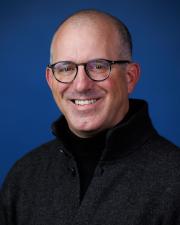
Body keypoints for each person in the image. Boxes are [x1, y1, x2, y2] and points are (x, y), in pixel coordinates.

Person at [0, 9, 180, 225]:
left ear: (130, 77)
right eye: (66, 68)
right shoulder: (23, 178)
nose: (81, 85)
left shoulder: (174, 179)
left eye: (98, 66)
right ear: (51, 80)